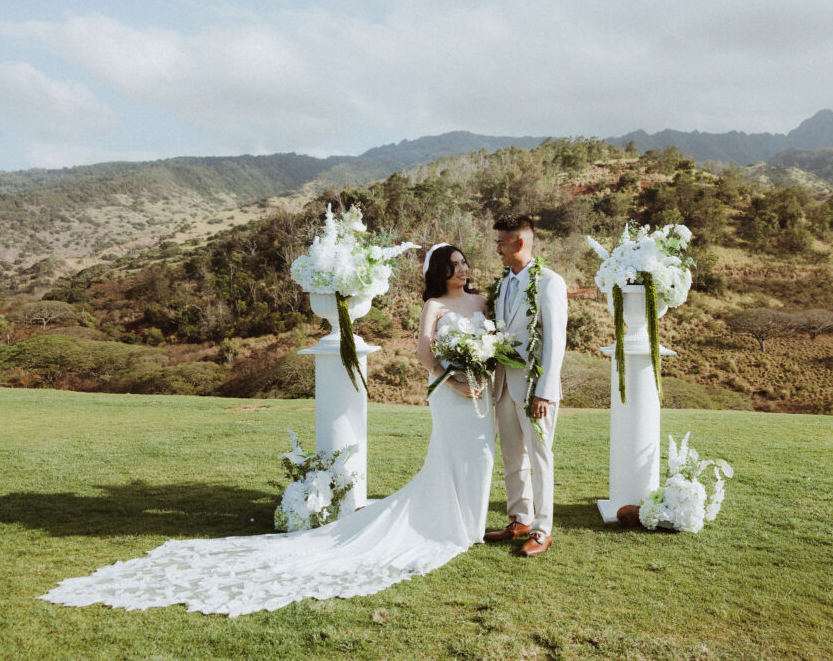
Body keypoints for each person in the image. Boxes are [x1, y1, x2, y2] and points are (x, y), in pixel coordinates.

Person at [40, 243, 496, 617]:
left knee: (481, 453)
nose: (462, 269)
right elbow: (422, 351)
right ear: (438, 271)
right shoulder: (433, 305)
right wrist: (452, 377)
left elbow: (494, 339)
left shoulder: (481, 301)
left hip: (482, 388)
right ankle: (456, 525)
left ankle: (472, 522)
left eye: (464, 263)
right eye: (453, 264)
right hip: (447, 388)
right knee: (448, 453)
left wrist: (481, 368)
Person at [484, 215, 567, 557]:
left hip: (535, 389)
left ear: (520, 243)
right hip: (503, 383)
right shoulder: (503, 283)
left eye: (501, 243)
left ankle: (542, 529)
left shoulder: (549, 282)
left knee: (540, 457)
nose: (497, 249)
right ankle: (519, 518)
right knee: (512, 456)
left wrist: (545, 391)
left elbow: (555, 340)